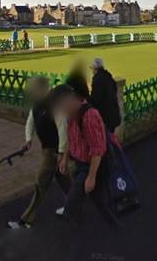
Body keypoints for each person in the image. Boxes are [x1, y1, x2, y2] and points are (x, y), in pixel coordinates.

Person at [50, 84, 119, 227]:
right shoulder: (70, 116)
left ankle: (114, 228)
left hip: (94, 166)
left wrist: (91, 177)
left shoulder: (89, 116)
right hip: (82, 164)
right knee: (96, 199)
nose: (60, 111)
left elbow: (97, 150)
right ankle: (112, 224)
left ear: (68, 101)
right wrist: (64, 157)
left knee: (72, 204)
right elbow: (71, 137)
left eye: (60, 107)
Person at [7, 77, 70, 229]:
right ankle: (75, 204)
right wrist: (28, 139)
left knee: (40, 184)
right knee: (65, 181)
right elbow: (30, 121)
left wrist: (61, 153)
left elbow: (63, 127)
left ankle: (26, 220)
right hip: (46, 149)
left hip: (53, 152)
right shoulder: (37, 104)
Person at [90, 58, 122, 133]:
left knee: (105, 139)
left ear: (95, 68)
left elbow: (95, 99)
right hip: (113, 114)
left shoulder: (98, 79)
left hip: (106, 117)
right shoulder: (108, 76)